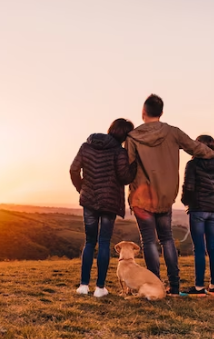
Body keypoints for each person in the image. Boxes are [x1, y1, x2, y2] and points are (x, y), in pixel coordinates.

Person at [126, 94, 214, 295]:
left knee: (148, 241)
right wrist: (211, 155)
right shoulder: (173, 133)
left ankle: (155, 285)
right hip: (166, 196)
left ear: (143, 112)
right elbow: (196, 147)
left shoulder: (133, 137)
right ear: (161, 113)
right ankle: (174, 287)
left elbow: (127, 168)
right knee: (166, 239)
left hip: (142, 198)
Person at [70, 118, 137, 298]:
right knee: (104, 242)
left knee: (90, 242)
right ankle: (100, 288)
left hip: (89, 200)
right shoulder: (119, 152)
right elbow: (124, 178)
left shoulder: (86, 146)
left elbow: (73, 170)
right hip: (109, 201)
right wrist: (134, 165)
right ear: (124, 135)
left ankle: (83, 286)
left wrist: (82, 189)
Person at [180, 135, 214, 296]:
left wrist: (186, 202)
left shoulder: (192, 164)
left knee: (199, 248)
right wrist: (212, 200)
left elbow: (189, 187)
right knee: (212, 248)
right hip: (213, 210)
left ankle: (199, 287)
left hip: (198, 209)